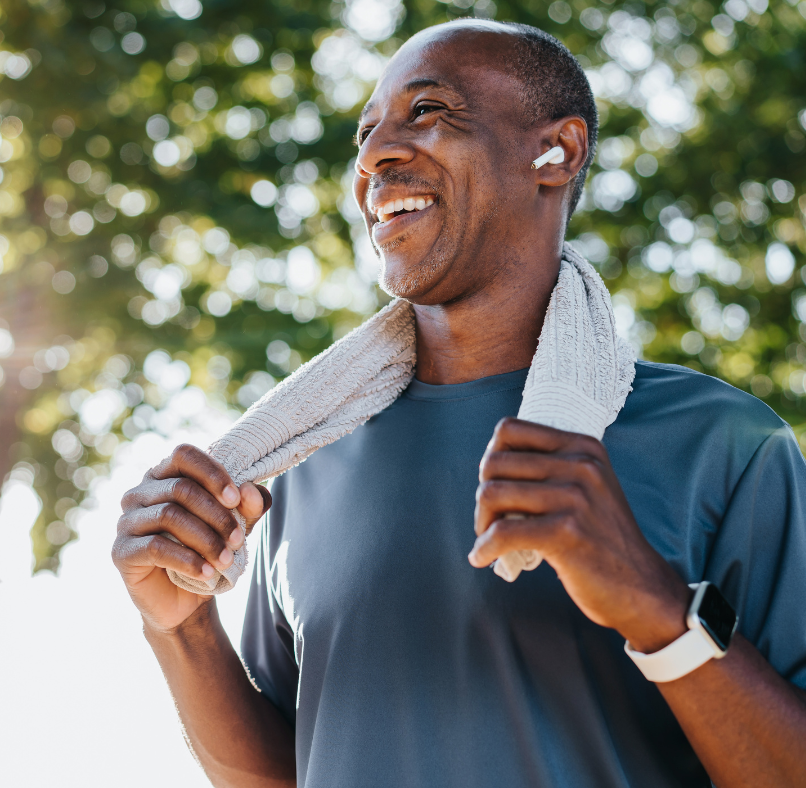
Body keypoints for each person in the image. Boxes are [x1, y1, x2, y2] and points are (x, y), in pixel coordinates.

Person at [113, 19, 806, 788]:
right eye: (367, 133)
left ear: (557, 153)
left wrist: (658, 610)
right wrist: (181, 630)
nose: (376, 154)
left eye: (429, 112)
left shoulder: (724, 446)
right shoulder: (301, 466)